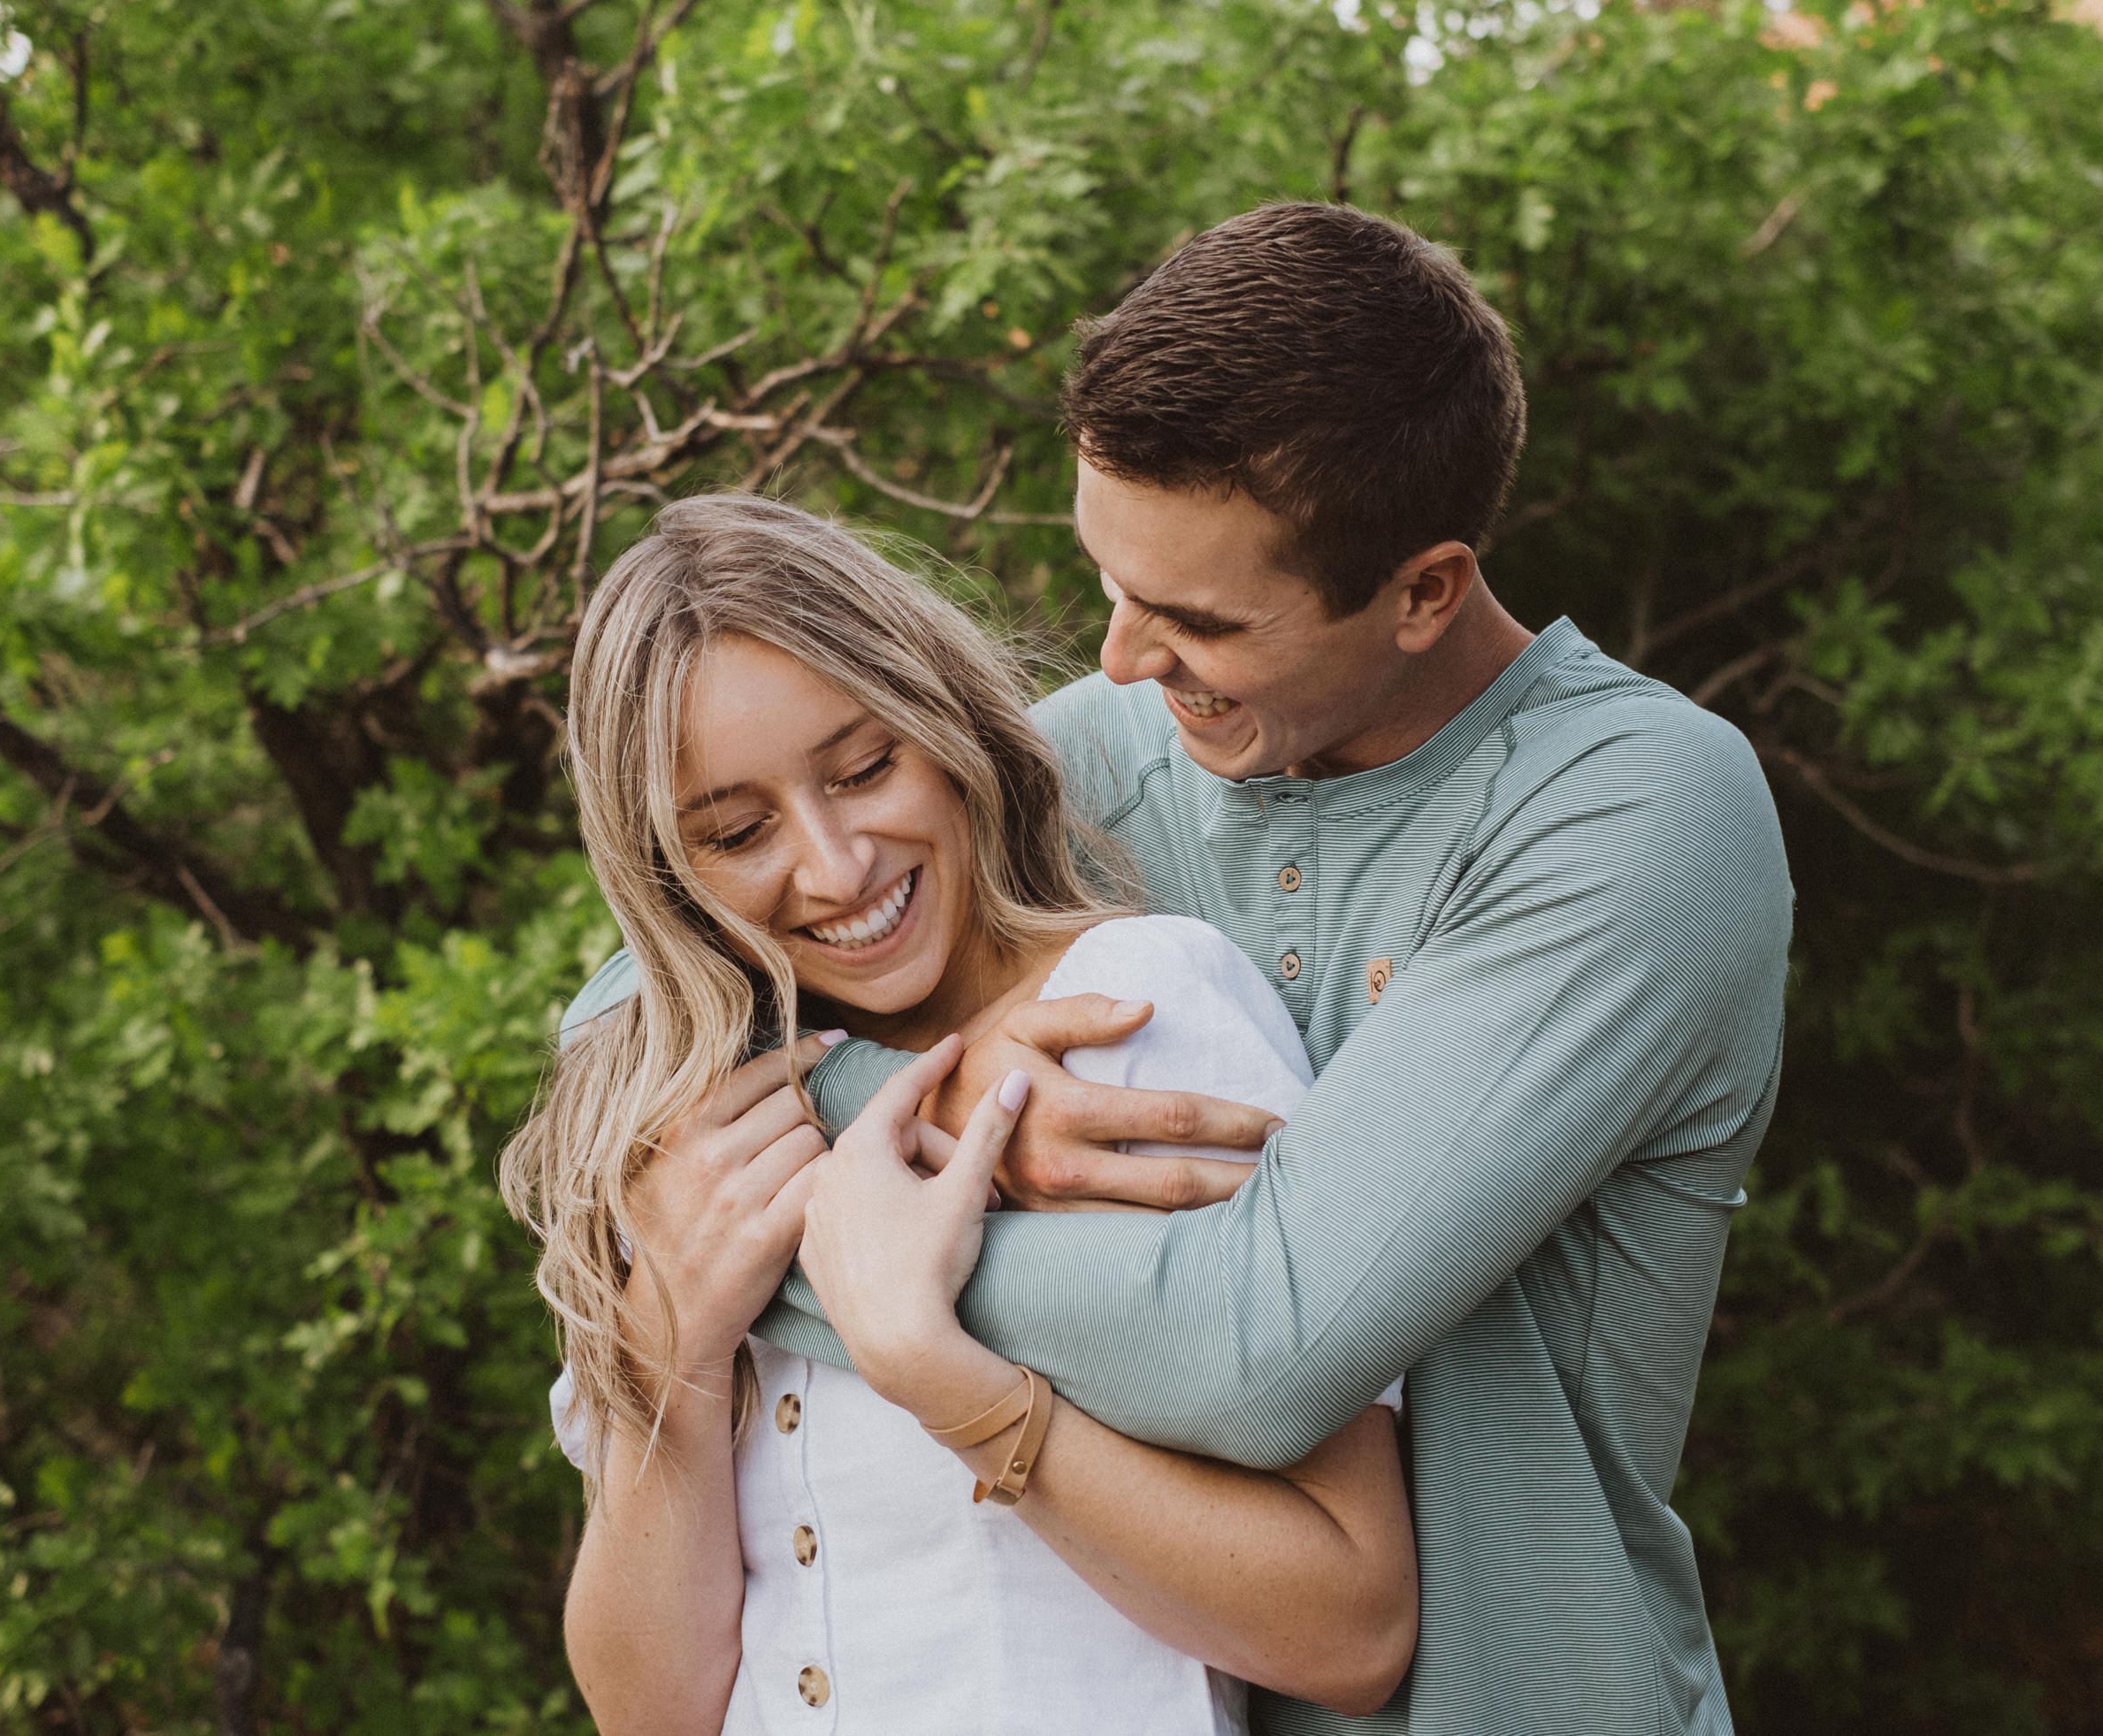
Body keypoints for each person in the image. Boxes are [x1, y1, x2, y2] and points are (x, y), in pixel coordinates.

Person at [566, 203, 1794, 1734]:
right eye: (1112, 582)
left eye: (1198, 619)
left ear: (1423, 591)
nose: (1124, 659)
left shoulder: (1632, 810)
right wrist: (940, 1096)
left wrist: (807, 1239)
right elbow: (624, 1013)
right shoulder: (1117, 752)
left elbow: (1263, 1342)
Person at [501, 493, 1419, 1736]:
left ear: (945, 729)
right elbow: (650, 1711)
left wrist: (949, 1385)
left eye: (866, 767)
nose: (835, 869)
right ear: (665, 873)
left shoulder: (1140, 1011)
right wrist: (672, 1344)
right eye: (738, 830)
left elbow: (1350, 1628)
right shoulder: (693, 1136)